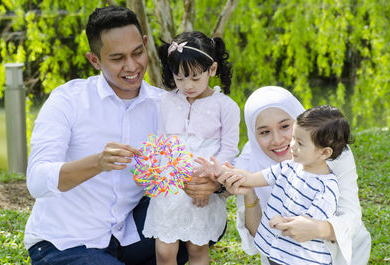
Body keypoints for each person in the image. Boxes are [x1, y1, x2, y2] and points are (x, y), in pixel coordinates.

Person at [24, 6, 217, 265]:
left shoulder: (167, 106)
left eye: (138, 52)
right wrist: (97, 163)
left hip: (127, 236)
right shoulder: (68, 100)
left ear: (145, 44)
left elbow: (202, 153)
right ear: (94, 60)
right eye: (117, 58)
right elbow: (36, 181)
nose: (132, 66)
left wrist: (212, 185)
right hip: (66, 242)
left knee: (205, 214)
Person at [224, 86, 370, 265]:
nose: (278, 140)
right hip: (279, 255)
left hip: (334, 253)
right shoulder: (251, 160)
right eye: (264, 132)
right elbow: (257, 232)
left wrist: (316, 229)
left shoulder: (333, 153)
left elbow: (351, 216)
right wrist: (249, 191)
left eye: (285, 126)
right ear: (253, 135)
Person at [198, 105, 353, 265]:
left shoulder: (326, 187)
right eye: (293, 138)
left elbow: (307, 225)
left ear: (324, 152)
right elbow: (251, 178)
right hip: (277, 252)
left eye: (300, 143)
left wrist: (281, 221)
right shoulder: (289, 166)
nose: (292, 145)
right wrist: (221, 170)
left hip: (302, 259)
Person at [141, 31, 240, 265]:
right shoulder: (167, 102)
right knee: (164, 250)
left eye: (195, 78)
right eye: (180, 78)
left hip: (201, 187)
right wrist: (152, 169)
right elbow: (160, 141)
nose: (187, 85)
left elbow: (229, 149)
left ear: (212, 70)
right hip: (170, 185)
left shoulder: (225, 106)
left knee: (197, 248)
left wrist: (209, 175)